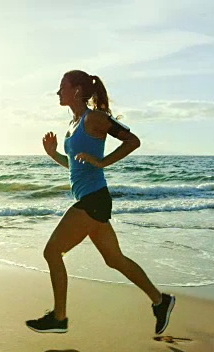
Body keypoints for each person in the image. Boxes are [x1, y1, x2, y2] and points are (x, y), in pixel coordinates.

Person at [25, 70, 175, 335]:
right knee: (114, 259)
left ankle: (59, 318)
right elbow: (74, 166)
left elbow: (133, 141)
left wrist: (103, 162)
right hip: (90, 199)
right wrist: (53, 154)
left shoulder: (95, 118)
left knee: (51, 252)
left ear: (77, 91)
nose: (58, 92)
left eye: (62, 86)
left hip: (95, 199)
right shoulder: (73, 124)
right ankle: (161, 301)